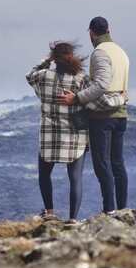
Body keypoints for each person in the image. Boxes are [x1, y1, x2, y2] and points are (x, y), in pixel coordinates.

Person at [58, 16, 130, 214]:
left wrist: (77, 98)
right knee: (118, 163)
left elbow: (101, 84)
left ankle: (109, 211)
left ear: (91, 32)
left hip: (102, 117)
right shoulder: (121, 52)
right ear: (109, 29)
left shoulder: (100, 53)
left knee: (102, 165)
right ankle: (123, 209)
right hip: (121, 114)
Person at [26, 42, 89, 223]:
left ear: (54, 57)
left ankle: (50, 212)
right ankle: (73, 219)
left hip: (49, 134)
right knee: (75, 179)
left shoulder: (44, 76)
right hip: (74, 135)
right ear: (72, 56)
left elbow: (29, 76)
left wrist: (46, 61)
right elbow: (90, 98)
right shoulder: (81, 78)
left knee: (44, 175)